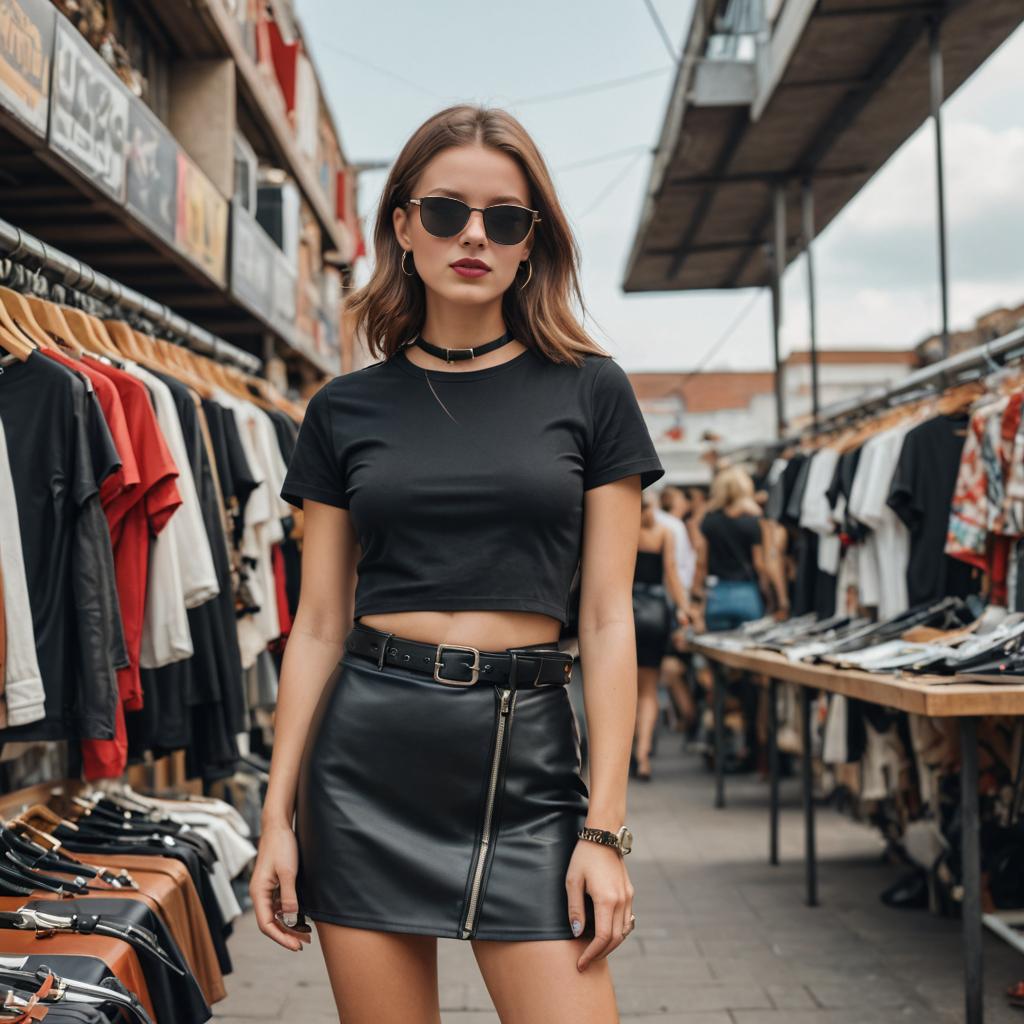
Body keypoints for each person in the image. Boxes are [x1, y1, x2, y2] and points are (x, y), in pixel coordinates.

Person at [248, 104, 666, 1024]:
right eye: (445, 211)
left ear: (530, 244)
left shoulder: (592, 391)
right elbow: (317, 622)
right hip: (365, 769)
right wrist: (275, 820)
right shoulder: (343, 409)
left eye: (505, 219)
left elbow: (604, 618)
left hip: (529, 767)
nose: (473, 235)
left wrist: (605, 829)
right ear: (401, 226)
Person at [632, 492, 690, 781]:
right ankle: (643, 756)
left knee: (625, 688)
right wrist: (685, 609)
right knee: (649, 690)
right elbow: (672, 575)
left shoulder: (625, 532)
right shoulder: (665, 533)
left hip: (627, 612)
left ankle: (628, 750)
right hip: (656, 613)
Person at [697, 466, 784, 631]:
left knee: (717, 649)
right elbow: (760, 564)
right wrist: (772, 598)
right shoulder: (753, 522)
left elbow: (701, 562)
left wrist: (697, 597)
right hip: (747, 594)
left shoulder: (709, 521)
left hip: (717, 594)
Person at [653, 486, 698, 736]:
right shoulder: (673, 528)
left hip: (646, 604)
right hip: (668, 603)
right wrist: (685, 607)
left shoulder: (655, 524)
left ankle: (643, 747)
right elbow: (676, 570)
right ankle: (688, 718)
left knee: (649, 678)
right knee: (674, 667)